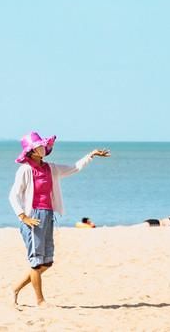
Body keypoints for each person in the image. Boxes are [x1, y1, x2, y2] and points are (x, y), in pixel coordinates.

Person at [8, 131, 110, 307]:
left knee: (47, 262)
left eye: (42, 145)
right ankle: (40, 301)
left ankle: (16, 287)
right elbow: (13, 195)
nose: (43, 148)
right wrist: (23, 217)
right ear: (31, 151)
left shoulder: (51, 168)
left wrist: (91, 155)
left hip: (48, 215)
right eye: (39, 146)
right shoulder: (25, 170)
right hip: (32, 217)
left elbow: (74, 168)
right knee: (36, 261)